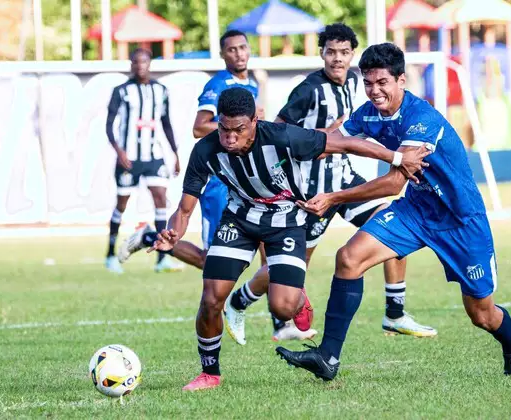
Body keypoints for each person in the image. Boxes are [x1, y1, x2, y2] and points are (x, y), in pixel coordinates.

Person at [117, 87, 430, 390]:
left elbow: (345, 144)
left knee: (283, 309)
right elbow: (184, 209)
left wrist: (397, 159)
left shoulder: (283, 137)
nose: (230, 138)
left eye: (238, 130)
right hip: (239, 220)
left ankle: (294, 295)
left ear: (255, 122)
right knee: (211, 298)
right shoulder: (206, 150)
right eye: (224, 129)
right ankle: (209, 373)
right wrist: (175, 231)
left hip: (286, 221)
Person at [276, 43, 511, 380]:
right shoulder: (367, 113)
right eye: (368, 83)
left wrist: (333, 197)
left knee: (481, 315)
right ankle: (327, 358)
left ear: (401, 81)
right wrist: (279, 140)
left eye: (382, 82)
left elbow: (394, 183)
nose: (375, 91)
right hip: (416, 211)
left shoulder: (421, 120)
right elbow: (329, 142)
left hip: (460, 219)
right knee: (349, 258)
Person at [223, 23, 437, 345]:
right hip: (311, 191)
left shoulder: (355, 82)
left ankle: (394, 313)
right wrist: (326, 135)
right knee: (290, 268)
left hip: (344, 181)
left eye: (344, 52)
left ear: (352, 55)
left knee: (392, 226)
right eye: (331, 52)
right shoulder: (309, 90)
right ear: (321, 54)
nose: (337, 58)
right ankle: (239, 301)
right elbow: (275, 132)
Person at [164, 30, 261, 270]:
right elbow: (199, 128)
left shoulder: (252, 84)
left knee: (265, 242)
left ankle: (261, 291)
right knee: (212, 258)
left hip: (246, 179)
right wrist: (238, 130)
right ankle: (151, 237)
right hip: (220, 181)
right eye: (232, 49)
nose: (239, 53)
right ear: (222, 54)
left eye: (242, 47)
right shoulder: (218, 85)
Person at [104, 48, 181, 274]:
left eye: (144, 61)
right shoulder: (121, 91)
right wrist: (119, 151)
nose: (140, 66)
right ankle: (110, 255)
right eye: (136, 62)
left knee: (161, 198)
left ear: (150, 64)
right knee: (122, 204)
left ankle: (162, 258)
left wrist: (175, 154)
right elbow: (109, 125)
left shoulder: (161, 90)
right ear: (131, 65)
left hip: (153, 156)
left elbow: (166, 123)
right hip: (129, 158)